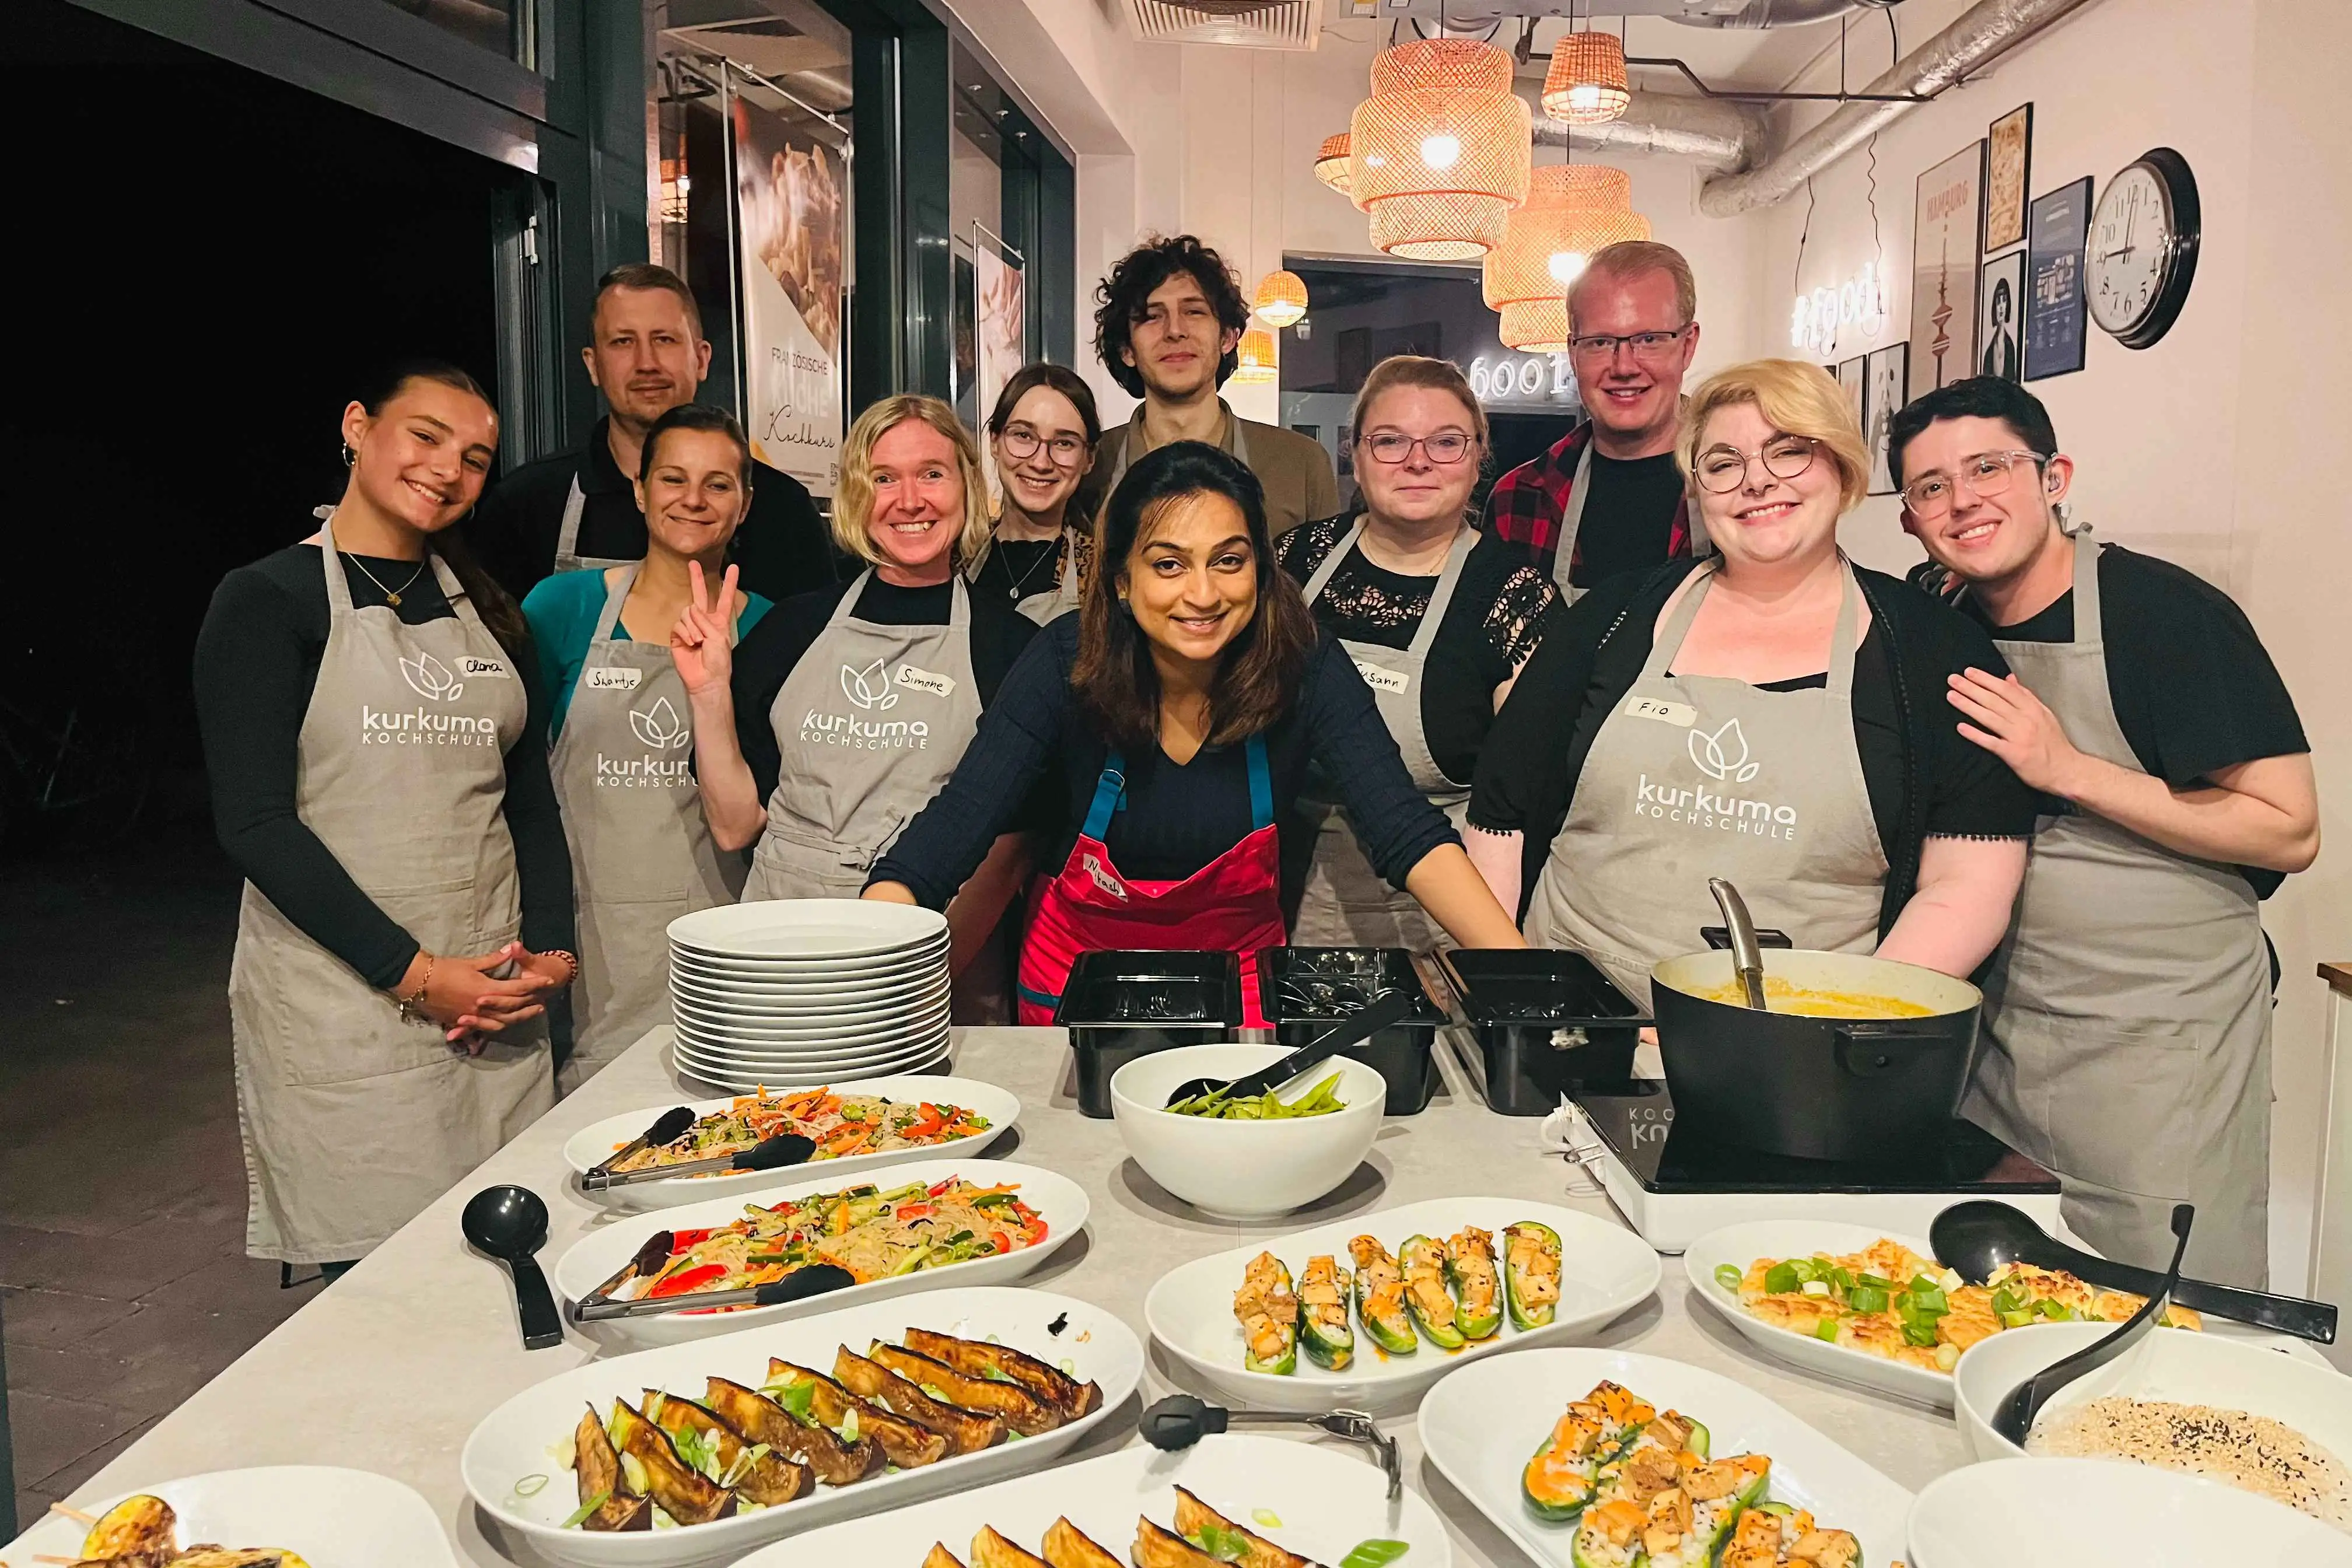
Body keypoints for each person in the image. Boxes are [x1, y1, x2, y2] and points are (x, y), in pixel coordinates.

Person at [860, 442, 1527, 1027]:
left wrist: (1523, 982)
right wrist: (855, 985)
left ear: (1261, 569)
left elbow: (1406, 830)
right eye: (1169, 565)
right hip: (1076, 1001)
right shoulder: (1066, 662)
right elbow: (957, 824)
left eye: (1228, 561)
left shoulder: (1304, 662)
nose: (1203, 595)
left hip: (1241, 999)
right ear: (1122, 580)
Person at [1890, 376, 2318, 1286]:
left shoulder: (2164, 616)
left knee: (2165, 1298)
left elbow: (2289, 829)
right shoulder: (1942, 624)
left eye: (1989, 468)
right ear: (1910, 520)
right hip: (2002, 1040)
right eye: (1932, 486)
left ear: (2054, 478)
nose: (1963, 499)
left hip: (2157, 1050)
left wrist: (2067, 768)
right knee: (2003, 1295)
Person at [1465, 359, 2039, 1015]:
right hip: (1569, 1024)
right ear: (1697, 488)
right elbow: (1500, 812)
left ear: (1842, 467)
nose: (1757, 480)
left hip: (1801, 1042)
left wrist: (1841, 1028)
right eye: (1723, 463)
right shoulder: (1611, 618)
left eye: (1789, 451)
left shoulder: (1935, 652)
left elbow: (1965, 885)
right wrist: (1511, 994)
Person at [194, 361, 575, 1277]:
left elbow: (529, 803)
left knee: (515, 1273)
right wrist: (418, 976)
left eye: (475, 458)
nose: (448, 469)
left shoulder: (490, 612)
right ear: (358, 428)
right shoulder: (268, 601)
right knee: (381, 1296)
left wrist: (550, 960)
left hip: (492, 1003)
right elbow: (255, 825)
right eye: (426, 436)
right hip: (349, 1003)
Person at [669, 395, 1040, 1011]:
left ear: (968, 486)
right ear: (855, 496)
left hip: (925, 971)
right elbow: (735, 826)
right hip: (776, 967)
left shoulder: (1011, 648)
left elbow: (1011, 851)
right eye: (884, 478)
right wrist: (708, 695)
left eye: (932, 474)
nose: (910, 500)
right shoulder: (792, 629)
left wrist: (914, 983)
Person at [522, 404, 774, 1090]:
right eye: (673, 479)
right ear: (639, 489)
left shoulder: (772, 630)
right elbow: (517, 781)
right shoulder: (561, 608)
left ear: (745, 504)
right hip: (588, 942)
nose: (694, 499)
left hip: (720, 942)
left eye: (718, 484)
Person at [1276, 355, 1558, 950]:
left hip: (1435, 920)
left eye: (1446, 442)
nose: (1418, 461)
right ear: (1355, 455)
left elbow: (1524, 800)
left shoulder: (1515, 597)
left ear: (1478, 458)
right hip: (1277, 898)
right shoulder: (1291, 563)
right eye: (1390, 441)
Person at [467, 264, 836, 604]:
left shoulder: (783, 509)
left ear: (702, 359)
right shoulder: (525, 505)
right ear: (593, 366)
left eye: (664, 340)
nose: (646, 363)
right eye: (623, 342)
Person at [1483, 240, 1710, 601]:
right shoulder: (1520, 499)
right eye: (1600, 342)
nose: (1624, 367)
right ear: (1573, 353)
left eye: (1649, 339)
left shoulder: (1744, 488)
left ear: (1688, 344)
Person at [1092, 236, 1338, 536]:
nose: (1175, 331)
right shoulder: (1090, 466)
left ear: (1228, 338)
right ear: (1126, 350)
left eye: (1194, 312)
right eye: (1152, 316)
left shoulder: (1301, 463)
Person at [968, 363, 1100, 622]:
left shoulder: (1104, 572)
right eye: (1024, 436)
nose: (1041, 462)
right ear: (995, 441)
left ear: (1089, 458)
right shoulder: (957, 559)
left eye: (1064, 443)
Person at [1979, 279, 2020, 381]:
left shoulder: (2010, 346)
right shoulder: (1989, 351)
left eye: (2004, 300)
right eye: (1998, 302)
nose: (2001, 307)